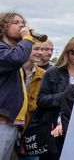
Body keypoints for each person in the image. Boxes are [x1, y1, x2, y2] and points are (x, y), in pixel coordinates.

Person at [37, 36, 74, 158]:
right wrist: (67, 96)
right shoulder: (53, 72)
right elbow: (41, 100)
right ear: (67, 51)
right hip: (53, 129)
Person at [0, 12, 34, 159]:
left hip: (10, 123)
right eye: (15, 22)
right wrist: (27, 38)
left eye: (22, 23)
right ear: (2, 27)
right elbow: (16, 58)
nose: (21, 26)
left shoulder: (11, 53)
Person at [16, 40, 46, 160]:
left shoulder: (44, 75)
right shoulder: (11, 71)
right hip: (9, 126)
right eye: (36, 49)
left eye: (42, 49)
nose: (40, 53)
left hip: (30, 133)